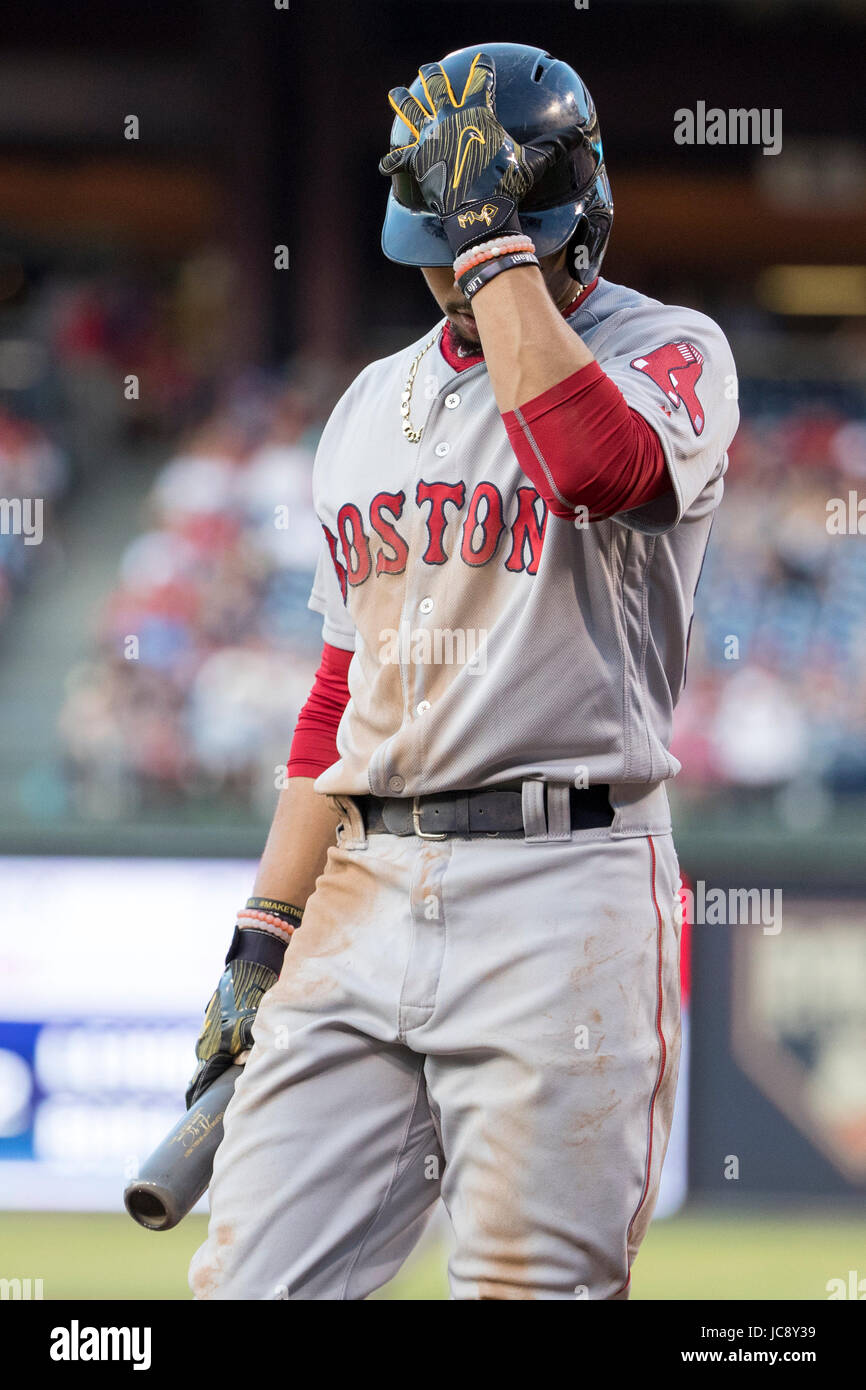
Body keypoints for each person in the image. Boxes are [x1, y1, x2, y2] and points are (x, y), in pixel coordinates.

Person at [187, 42, 739, 1300]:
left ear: (568, 226)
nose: (445, 270)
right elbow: (341, 695)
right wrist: (260, 939)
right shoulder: (368, 403)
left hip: (564, 882)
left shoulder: (670, 351)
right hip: (364, 883)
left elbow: (596, 470)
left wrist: (498, 249)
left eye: (475, 237)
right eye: (438, 241)